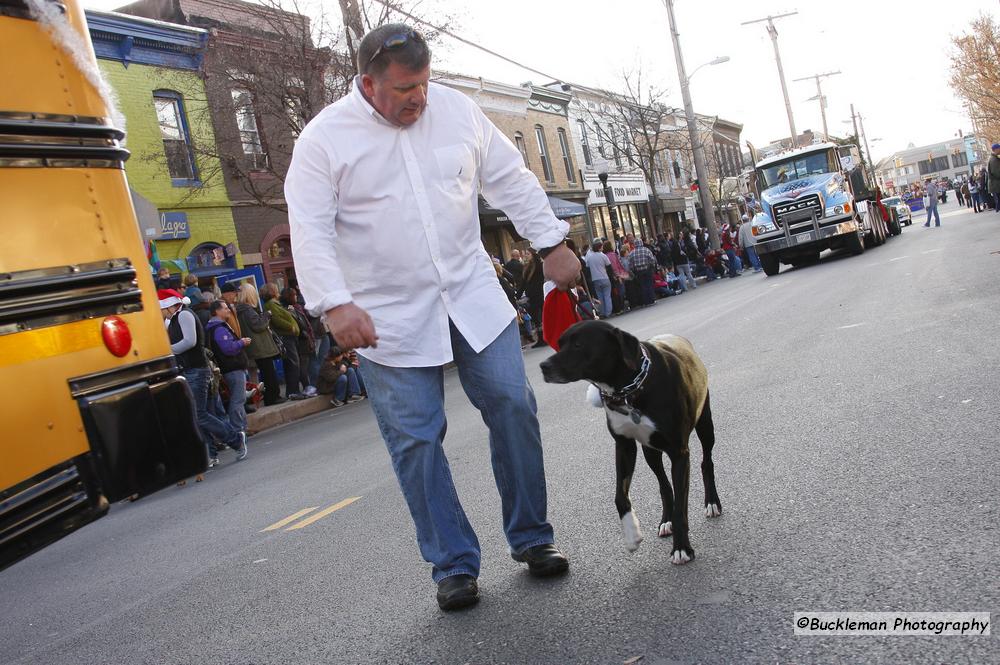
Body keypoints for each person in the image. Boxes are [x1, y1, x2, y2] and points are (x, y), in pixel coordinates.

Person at [285, 23, 577, 611]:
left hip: (470, 291)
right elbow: (309, 227)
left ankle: (531, 538)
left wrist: (550, 243)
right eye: (404, 90)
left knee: (514, 405)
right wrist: (333, 302)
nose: (419, 97)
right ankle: (453, 565)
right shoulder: (324, 140)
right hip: (384, 313)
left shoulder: (458, 113)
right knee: (416, 440)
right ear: (368, 84)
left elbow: (510, 179)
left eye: (423, 83)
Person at [159, 289, 247, 468]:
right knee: (202, 413)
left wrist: (166, 349)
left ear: (168, 305)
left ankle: (235, 439)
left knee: (199, 414)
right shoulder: (175, 318)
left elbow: (190, 341)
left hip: (196, 370)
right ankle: (211, 454)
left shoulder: (184, 315)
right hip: (192, 370)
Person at [205, 300, 252, 435]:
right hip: (232, 367)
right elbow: (228, 348)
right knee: (238, 399)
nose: (228, 310)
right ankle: (238, 430)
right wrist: (241, 342)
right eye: (225, 308)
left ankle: (243, 427)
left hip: (232, 367)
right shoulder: (219, 328)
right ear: (217, 311)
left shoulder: (218, 326)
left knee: (240, 398)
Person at [235, 282, 285, 407]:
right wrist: (267, 315)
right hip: (260, 347)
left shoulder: (240, 310)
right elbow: (258, 326)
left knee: (264, 373)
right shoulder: (248, 310)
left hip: (254, 347)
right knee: (269, 373)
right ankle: (273, 397)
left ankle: (268, 396)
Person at [262, 282, 307, 400]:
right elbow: (277, 319)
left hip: (290, 337)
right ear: (272, 291)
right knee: (293, 364)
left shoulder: (276, 303)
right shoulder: (271, 304)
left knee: (292, 364)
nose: (278, 291)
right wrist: (291, 327)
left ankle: (292, 390)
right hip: (286, 337)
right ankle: (293, 391)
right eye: (276, 289)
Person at [281, 286, 318, 397]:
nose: (296, 296)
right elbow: (300, 323)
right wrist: (306, 334)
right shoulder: (289, 309)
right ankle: (307, 386)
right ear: (290, 297)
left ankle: (310, 386)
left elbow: (304, 322)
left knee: (308, 364)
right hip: (301, 340)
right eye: (294, 295)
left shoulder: (297, 307)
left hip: (306, 338)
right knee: (303, 366)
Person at [624, 238, 657, 307]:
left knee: (642, 286)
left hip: (638, 271)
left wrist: (634, 271)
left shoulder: (632, 253)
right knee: (649, 284)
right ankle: (652, 300)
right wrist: (652, 267)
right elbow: (652, 260)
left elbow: (630, 265)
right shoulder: (646, 250)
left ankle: (646, 301)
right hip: (647, 269)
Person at [584, 240, 613, 317]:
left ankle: (602, 312)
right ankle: (608, 312)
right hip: (604, 277)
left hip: (595, 279)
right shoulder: (603, 256)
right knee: (607, 295)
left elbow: (587, 268)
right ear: (599, 248)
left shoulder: (590, 257)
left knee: (600, 297)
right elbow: (609, 266)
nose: (602, 248)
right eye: (602, 246)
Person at [988, 144, 1000, 213]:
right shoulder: (993, 160)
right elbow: (997, 173)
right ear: (996, 149)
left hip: (996, 184)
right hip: (997, 185)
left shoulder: (994, 158)